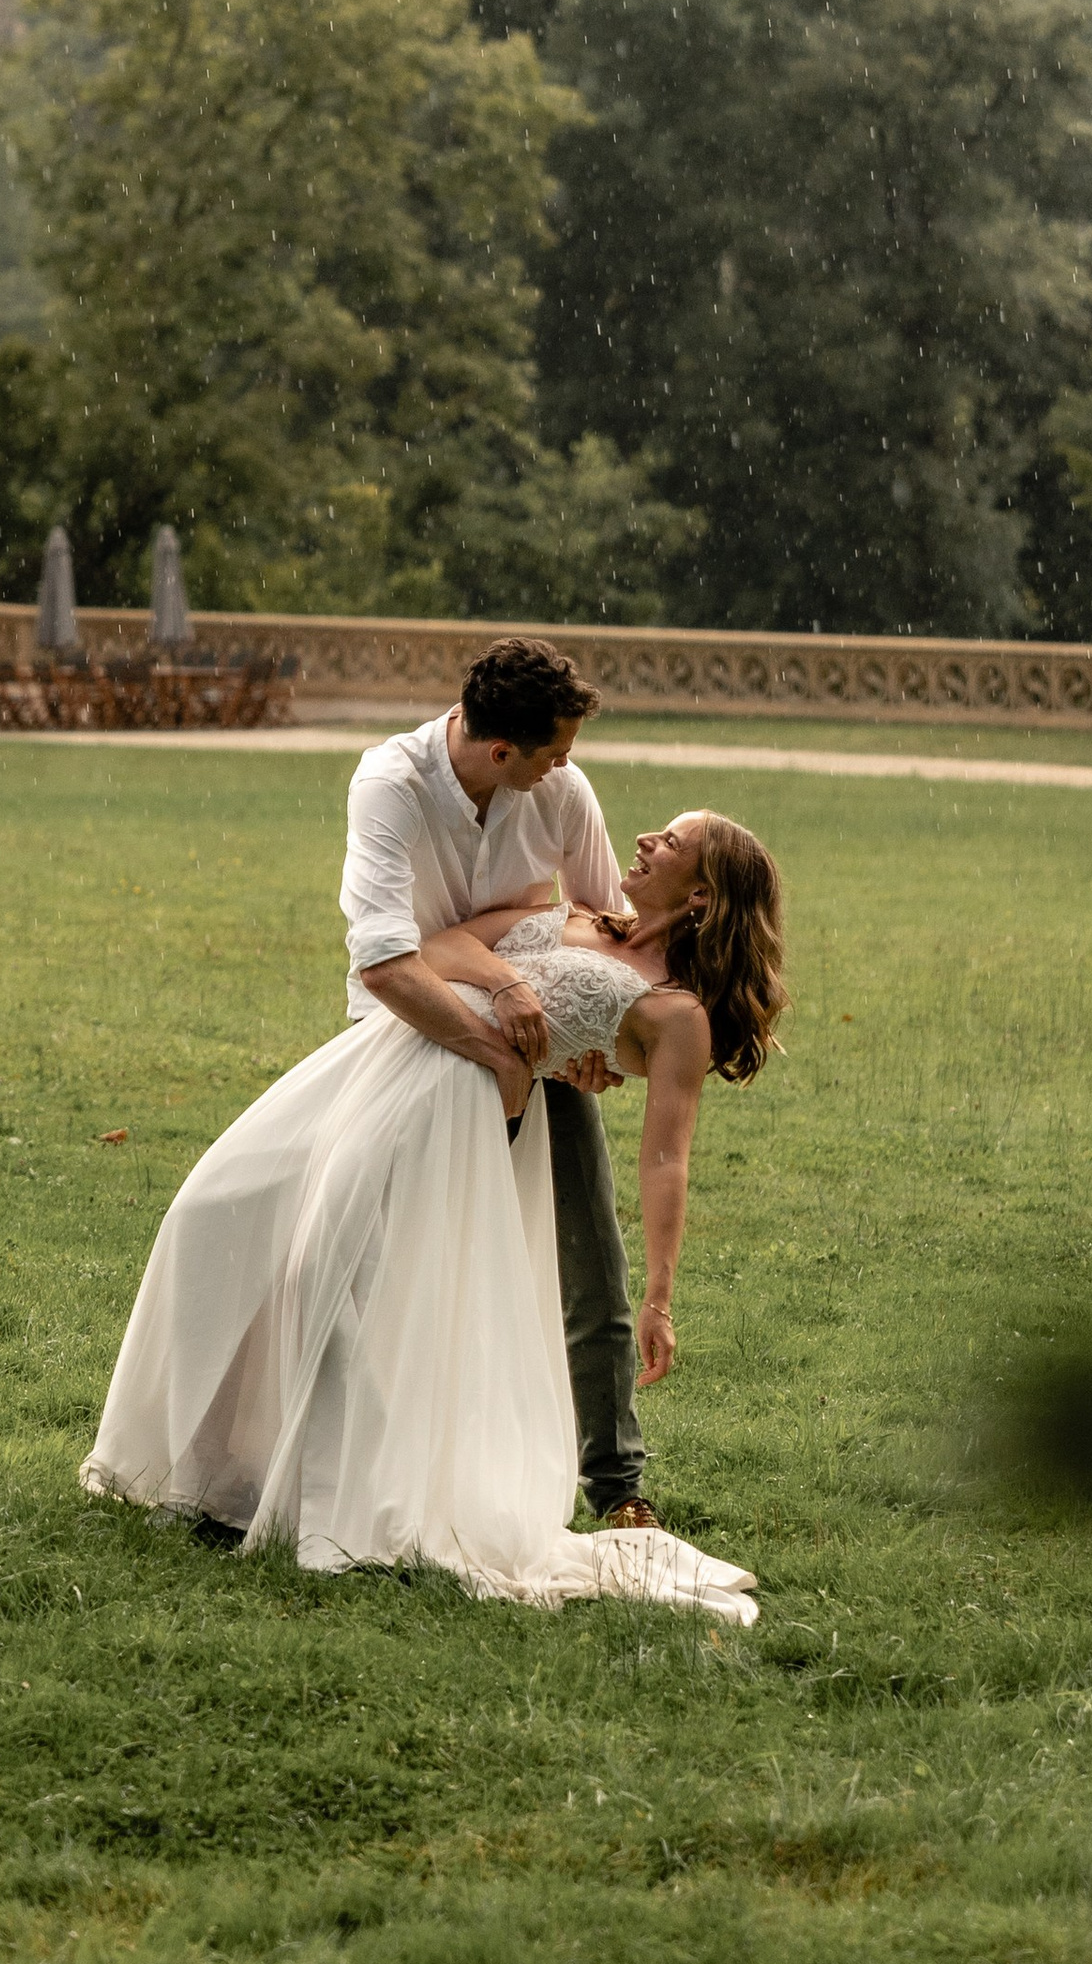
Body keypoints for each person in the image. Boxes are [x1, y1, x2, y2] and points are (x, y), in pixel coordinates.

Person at [78, 803, 788, 1617]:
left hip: (455, 1114)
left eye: (672, 842)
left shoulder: (678, 1015)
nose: (644, 839)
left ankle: (316, 1500)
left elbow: (666, 1160)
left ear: (702, 896)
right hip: (378, 1061)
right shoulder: (568, 912)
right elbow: (445, 946)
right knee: (216, 1210)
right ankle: (203, 1470)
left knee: (335, 1273)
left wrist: (660, 1295)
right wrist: (508, 983)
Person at [337, 639, 652, 1528]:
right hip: (419, 1039)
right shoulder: (389, 786)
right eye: (554, 749)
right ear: (500, 750)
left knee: (589, 1256)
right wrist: (498, 1042)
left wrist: (598, 1047)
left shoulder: (563, 793)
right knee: (387, 1256)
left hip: (541, 1047)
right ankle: (377, 1464)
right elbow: (387, 967)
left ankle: (619, 1485)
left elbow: (604, 935)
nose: (568, 764)